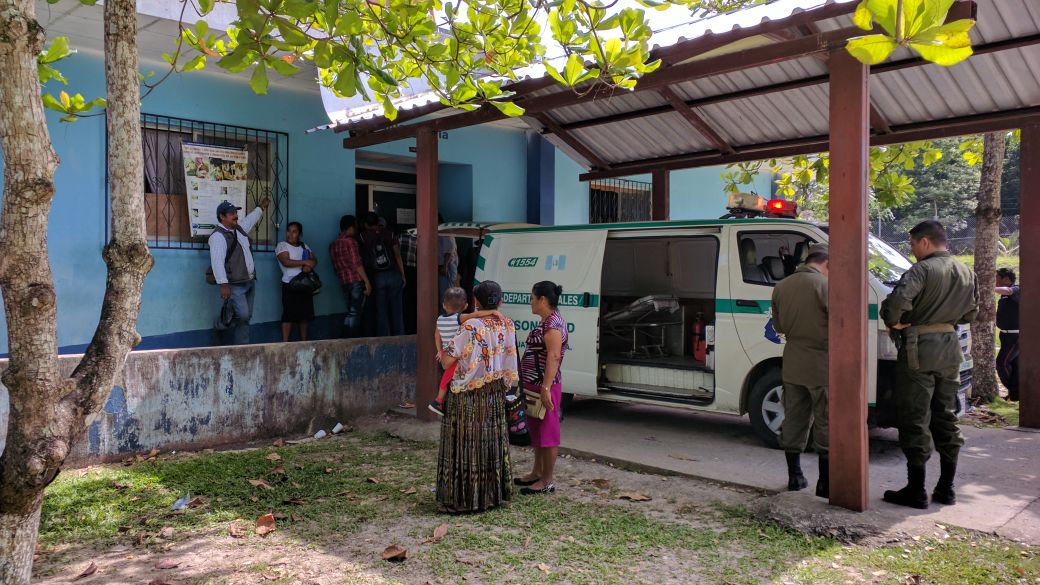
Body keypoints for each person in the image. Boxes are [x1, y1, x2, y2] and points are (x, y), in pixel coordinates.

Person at [881, 220, 979, 509]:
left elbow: (898, 301)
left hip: (918, 350)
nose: (912, 251)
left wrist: (894, 320)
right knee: (945, 416)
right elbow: (971, 313)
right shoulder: (966, 271)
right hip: (950, 349)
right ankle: (946, 488)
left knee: (914, 417)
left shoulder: (921, 270)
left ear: (924, 242)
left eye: (912, 244)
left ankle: (916, 490)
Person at [436, 281, 518, 513]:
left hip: (466, 395)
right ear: (500, 301)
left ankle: (463, 500)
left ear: (475, 302)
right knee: (490, 443)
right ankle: (491, 496)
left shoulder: (470, 326)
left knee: (464, 446)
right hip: (494, 393)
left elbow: (446, 361)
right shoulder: (508, 324)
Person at [770, 243, 830, 498]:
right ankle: (825, 483)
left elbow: (779, 325)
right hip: (822, 360)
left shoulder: (782, 286)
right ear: (827, 263)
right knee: (826, 420)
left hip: (793, 359)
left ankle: (795, 476)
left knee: (794, 417)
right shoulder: (826, 286)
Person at [514, 281, 568, 495]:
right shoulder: (547, 321)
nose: (530, 302)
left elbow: (554, 357)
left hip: (545, 386)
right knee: (536, 430)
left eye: (532, 298)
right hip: (534, 385)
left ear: (542, 300)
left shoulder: (553, 325)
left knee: (548, 433)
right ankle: (537, 472)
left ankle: (547, 480)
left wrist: (545, 388)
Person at [209, 197, 270, 345]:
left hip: (249, 280)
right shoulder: (218, 236)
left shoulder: (239, 228)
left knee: (247, 317)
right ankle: (220, 325)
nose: (235, 215)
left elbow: (251, 219)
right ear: (222, 217)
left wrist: (260, 207)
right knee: (243, 315)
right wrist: (223, 284)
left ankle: (242, 347)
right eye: (231, 213)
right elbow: (217, 262)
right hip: (234, 283)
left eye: (235, 212)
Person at [359, 212, 406, 336]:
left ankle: (385, 338)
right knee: (397, 310)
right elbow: (397, 255)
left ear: (365, 224)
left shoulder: (363, 237)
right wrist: (402, 275)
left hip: (377, 276)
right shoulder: (389, 234)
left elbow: (361, 258)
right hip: (394, 274)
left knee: (381, 311)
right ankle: (399, 337)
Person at [330, 215, 371, 338]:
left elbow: (335, 265)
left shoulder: (334, 244)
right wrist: (367, 282)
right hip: (355, 281)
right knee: (355, 313)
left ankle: (347, 339)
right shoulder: (351, 242)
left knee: (351, 311)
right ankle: (350, 340)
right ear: (352, 227)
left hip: (344, 282)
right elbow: (356, 263)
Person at [275, 221, 317, 342]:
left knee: (304, 316)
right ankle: (286, 343)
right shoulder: (282, 245)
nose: (290, 234)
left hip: (305, 284)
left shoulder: (304, 246)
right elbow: (286, 262)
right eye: (288, 231)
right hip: (290, 285)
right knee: (288, 315)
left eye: (294, 231)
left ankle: (303, 342)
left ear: (299, 234)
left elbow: (314, 260)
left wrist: (310, 265)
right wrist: (304, 262)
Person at [430, 287, 469, 416]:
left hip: (446, 353)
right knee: (447, 377)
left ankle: (440, 400)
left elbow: (437, 336)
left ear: (444, 305)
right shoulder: (460, 318)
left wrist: (440, 351)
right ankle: (438, 401)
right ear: (465, 306)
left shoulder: (440, 319)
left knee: (448, 375)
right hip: (456, 355)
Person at [995, 267, 1020, 402]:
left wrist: (989, 288)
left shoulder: (1017, 289)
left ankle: (1016, 390)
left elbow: (1008, 290)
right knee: (1015, 366)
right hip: (1005, 336)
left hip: (1015, 337)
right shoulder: (1004, 296)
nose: (994, 281)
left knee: (1002, 363)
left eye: (997, 277)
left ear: (1006, 279)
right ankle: (1015, 394)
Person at [437, 215, 458, 306]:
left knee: (446, 296)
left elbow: (449, 250)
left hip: (447, 266)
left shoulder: (445, 231)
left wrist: (445, 266)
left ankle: (447, 318)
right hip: (443, 266)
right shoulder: (440, 231)